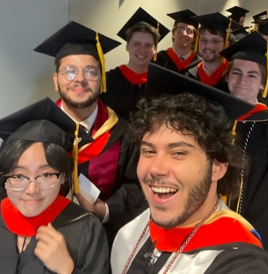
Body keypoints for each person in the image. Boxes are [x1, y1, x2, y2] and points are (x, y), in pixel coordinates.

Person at [110, 63, 268, 274]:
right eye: (149, 151)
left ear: (217, 167)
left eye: (178, 152)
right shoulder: (128, 234)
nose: (156, 168)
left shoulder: (239, 261)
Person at [34, 21, 148, 245]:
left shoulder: (124, 133)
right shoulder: (34, 129)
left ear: (101, 79)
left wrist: (103, 209)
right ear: (56, 81)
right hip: (38, 243)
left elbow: (138, 186)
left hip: (101, 243)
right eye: (69, 71)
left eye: (90, 71)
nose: (79, 79)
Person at [0, 98, 109, 273]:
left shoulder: (87, 229)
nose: (32, 190)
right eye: (20, 175)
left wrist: (68, 269)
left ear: (63, 177)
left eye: (46, 175)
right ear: (5, 178)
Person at [220, 31, 268, 260]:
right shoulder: (212, 118)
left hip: (239, 242)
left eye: (252, 75)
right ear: (227, 77)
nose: (242, 81)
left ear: (263, 82)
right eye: (237, 73)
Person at [101, 7, 169, 120]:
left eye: (148, 45)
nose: (142, 49)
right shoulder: (108, 81)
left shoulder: (161, 85)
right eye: (136, 44)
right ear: (127, 46)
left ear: (155, 50)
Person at [188, 12, 241, 90]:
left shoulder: (234, 80)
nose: (208, 46)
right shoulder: (189, 75)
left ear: (226, 44)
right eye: (203, 40)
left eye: (215, 41)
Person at [154, 9, 202, 75]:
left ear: (194, 37)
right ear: (173, 33)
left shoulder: (199, 65)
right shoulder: (159, 58)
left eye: (189, 31)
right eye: (181, 29)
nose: (184, 34)